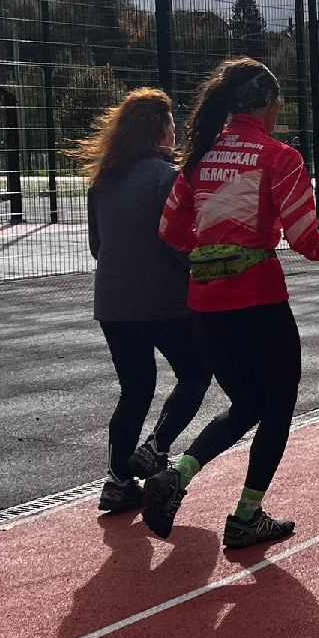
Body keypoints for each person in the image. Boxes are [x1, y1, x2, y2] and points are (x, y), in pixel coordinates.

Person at [147, 57, 319, 549]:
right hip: (260, 301)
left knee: (247, 401)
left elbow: (170, 232)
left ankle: (177, 475)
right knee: (279, 402)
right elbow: (306, 240)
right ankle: (246, 514)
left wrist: (213, 250)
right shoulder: (278, 157)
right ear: (268, 106)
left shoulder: (199, 160)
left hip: (206, 304)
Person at [74, 88, 213, 514]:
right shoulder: (169, 179)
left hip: (113, 302)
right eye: (172, 125)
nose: (176, 131)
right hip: (163, 300)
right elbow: (179, 243)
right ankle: (157, 447)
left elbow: (99, 246)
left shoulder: (103, 180)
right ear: (160, 131)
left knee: (135, 389)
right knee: (195, 373)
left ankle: (117, 480)